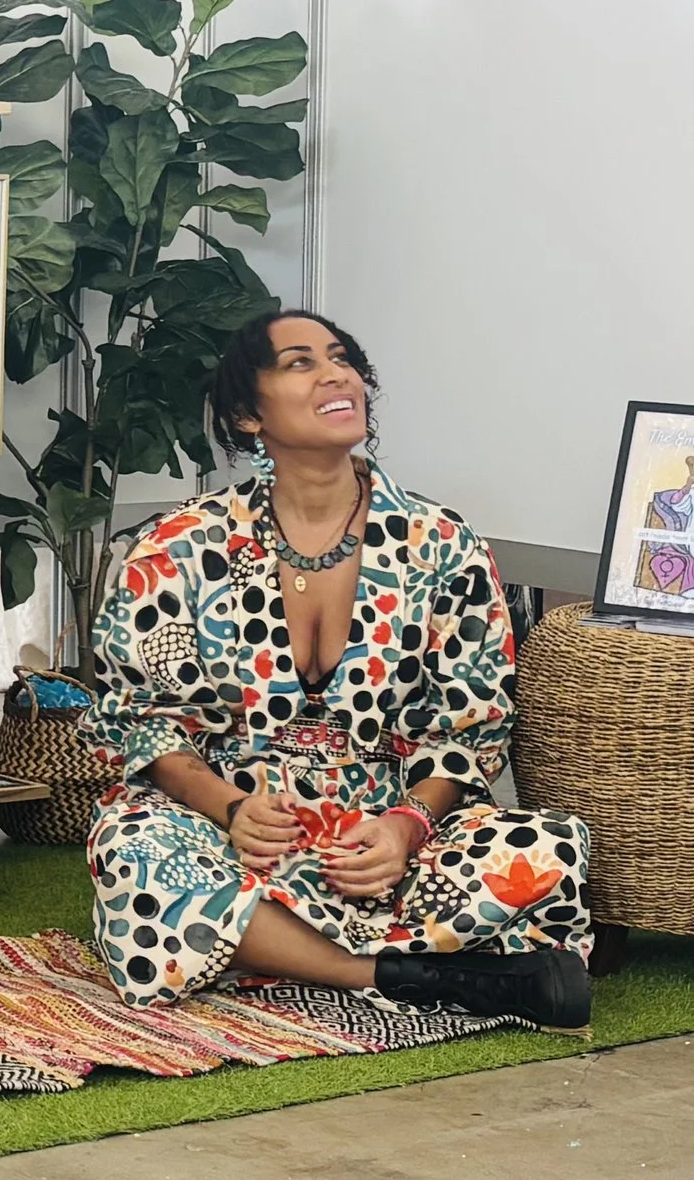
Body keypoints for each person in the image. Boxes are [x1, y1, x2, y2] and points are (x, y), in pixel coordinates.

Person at [81, 309, 593, 1029]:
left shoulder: (442, 543)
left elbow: (471, 726)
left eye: (343, 358)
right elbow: (143, 721)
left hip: (384, 824)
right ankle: (433, 975)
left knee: (540, 849)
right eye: (299, 362)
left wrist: (406, 826)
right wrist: (230, 809)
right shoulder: (177, 546)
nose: (336, 374)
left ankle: (261, 946)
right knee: (134, 846)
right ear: (246, 414)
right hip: (236, 819)